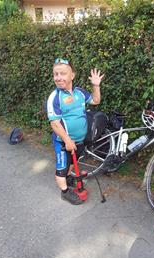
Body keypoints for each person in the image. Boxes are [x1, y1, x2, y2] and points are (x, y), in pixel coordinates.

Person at [47, 58, 104, 205]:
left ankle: (67, 178)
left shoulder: (79, 93)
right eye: (55, 74)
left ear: (72, 75)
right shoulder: (55, 97)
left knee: (72, 163)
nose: (58, 77)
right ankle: (65, 192)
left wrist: (95, 85)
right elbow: (55, 123)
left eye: (62, 74)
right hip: (63, 142)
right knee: (62, 167)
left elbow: (95, 101)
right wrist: (67, 140)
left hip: (78, 141)